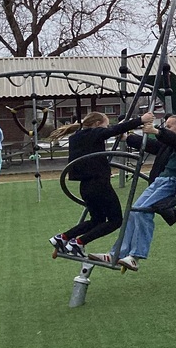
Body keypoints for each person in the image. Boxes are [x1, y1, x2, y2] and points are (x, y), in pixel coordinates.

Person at [88, 114, 176, 271]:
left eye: (170, 126)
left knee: (143, 211)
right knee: (132, 211)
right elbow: (153, 146)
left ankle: (136, 256)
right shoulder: (169, 144)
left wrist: (157, 131)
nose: (166, 128)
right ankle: (116, 253)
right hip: (159, 181)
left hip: (172, 182)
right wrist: (128, 138)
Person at [47, 110, 153, 258]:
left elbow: (107, 137)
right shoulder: (94, 133)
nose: (107, 129)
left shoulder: (76, 137)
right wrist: (141, 119)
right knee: (116, 220)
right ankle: (79, 242)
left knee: (97, 220)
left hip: (85, 186)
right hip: (99, 184)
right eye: (105, 125)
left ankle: (63, 237)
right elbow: (113, 130)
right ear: (97, 125)